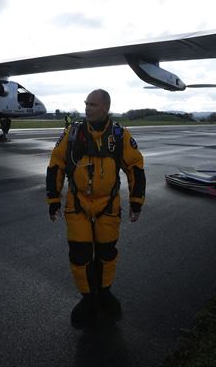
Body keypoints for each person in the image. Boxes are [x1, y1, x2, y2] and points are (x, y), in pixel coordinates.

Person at [46, 89, 146, 326]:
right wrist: (53, 201)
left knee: (106, 253)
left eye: (92, 104)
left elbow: (135, 168)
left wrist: (136, 202)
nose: (87, 108)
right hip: (77, 203)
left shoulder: (120, 135)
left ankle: (104, 292)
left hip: (107, 205)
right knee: (79, 255)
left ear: (105, 108)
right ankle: (88, 298)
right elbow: (56, 165)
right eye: (86, 103)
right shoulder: (72, 134)